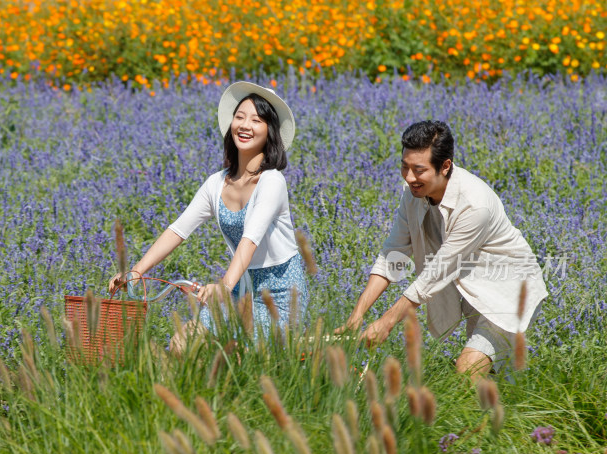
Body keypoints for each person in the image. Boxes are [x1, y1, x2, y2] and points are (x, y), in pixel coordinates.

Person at [109, 81, 308, 347]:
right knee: (183, 342)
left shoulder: (272, 181)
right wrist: (136, 271)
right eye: (239, 117)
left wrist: (223, 286)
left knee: (231, 353)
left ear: (270, 132)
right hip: (241, 288)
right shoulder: (217, 183)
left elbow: (250, 239)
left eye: (256, 120)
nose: (245, 125)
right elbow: (178, 230)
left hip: (281, 295)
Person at [343, 120, 547, 378]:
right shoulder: (413, 194)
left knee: (468, 370)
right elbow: (392, 255)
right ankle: (499, 415)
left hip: (507, 291)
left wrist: (386, 322)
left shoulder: (474, 205)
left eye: (418, 170)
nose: (408, 178)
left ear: (445, 166)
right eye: (404, 167)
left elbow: (438, 271)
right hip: (472, 290)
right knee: (491, 380)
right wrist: (357, 315)